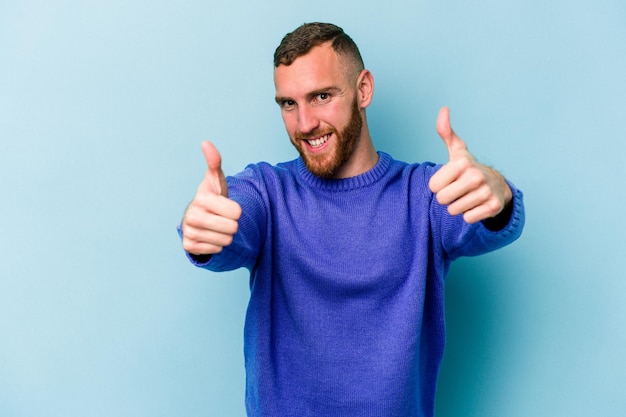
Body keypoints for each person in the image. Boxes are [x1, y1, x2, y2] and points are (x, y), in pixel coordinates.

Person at [178, 22, 524, 417]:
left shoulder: (423, 194)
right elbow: (232, 220)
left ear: (363, 90)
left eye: (321, 96)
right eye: (288, 104)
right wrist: (205, 227)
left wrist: (496, 192)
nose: (305, 123)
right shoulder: (266, 192)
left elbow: (487, 221)